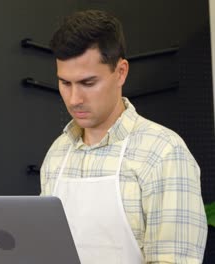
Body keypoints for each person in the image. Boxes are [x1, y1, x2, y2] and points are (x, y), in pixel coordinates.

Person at [40, 10, 207, 263]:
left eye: (88, 83)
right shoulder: (57, 154)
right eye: (65, 83)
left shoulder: (163, 153)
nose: (74, 99)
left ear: (120, 72)